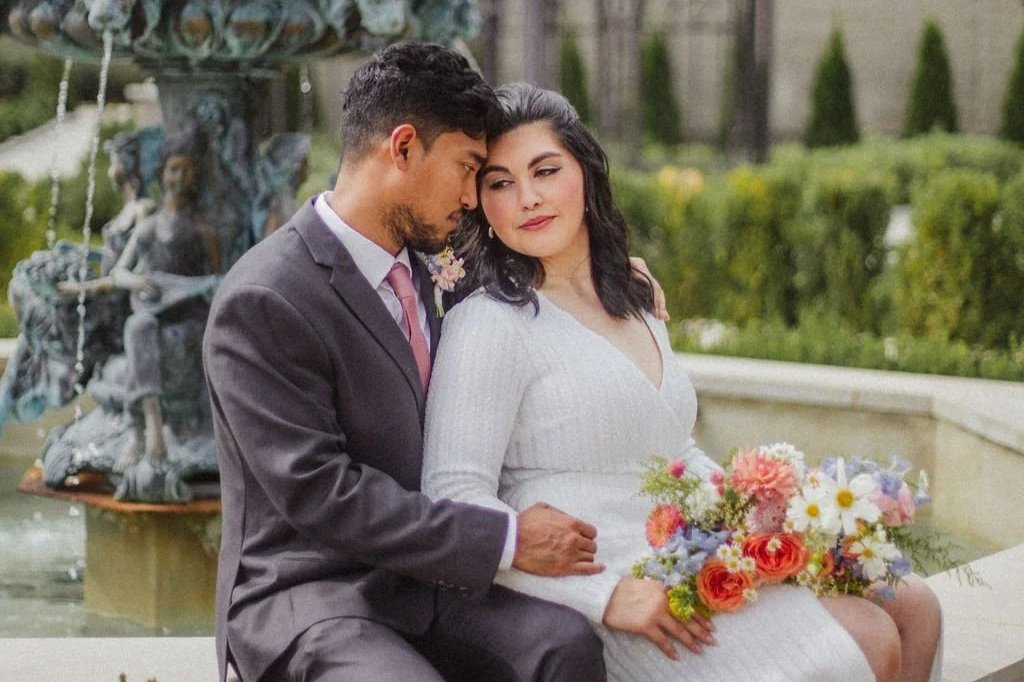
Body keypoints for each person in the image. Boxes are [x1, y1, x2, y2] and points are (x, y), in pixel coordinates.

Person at [422, 82, 943, 682]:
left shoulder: (634, 294)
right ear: (482, 203)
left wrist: (760, 509)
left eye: (546, 171)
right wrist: (608, 597)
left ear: (586, 174)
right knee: (868, 637)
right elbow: (453, 499)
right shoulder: (489, 322)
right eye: (500, 184)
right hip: (607, 587)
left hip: (690, 552)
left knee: (916, 608)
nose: (528, 199)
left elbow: (672, 446)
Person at [202, 43, 610, 682]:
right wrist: (503, 539)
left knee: (564, 646)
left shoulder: (434, 263)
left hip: (425, 585)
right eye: (467, 166)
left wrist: (618, 281)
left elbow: (539, 265)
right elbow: (322, 494)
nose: (475, 197)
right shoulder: (266, 299)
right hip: (310, 595)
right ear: (402, 148)